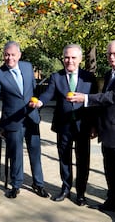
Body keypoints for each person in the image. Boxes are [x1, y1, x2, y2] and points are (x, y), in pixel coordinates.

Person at [69, 39, 115, 222]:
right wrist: (95, 124)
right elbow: (104, 105)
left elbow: (114, 97)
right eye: (109, 54)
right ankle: (111, 202)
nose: (112, 57)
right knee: (111, 173)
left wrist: (85, 98)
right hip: (107, 133)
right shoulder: (110, 75)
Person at [36, 44, 98, 206]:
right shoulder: (56, 76)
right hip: (63, 125)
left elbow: (95, 104)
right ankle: (65, 188)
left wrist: (94, 125)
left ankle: (81, 193)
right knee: (64, 158)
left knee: (83, 160)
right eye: (66, 57)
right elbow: (48, 93)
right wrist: (40, 102)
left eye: (73, 57)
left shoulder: (89, 78)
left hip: (83, 126)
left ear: (80, 59)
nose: (69, 61)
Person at [0, 41, 49, 199]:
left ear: (19, 55)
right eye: (6, 55)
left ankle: (38, 184)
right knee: (15, 153)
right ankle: (16, 185)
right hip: (12, 119)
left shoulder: (28, 67)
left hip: (31, 116)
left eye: (13, 54)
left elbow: (33, 87)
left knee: (35, 152)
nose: (9, 58)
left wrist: (36, 102)